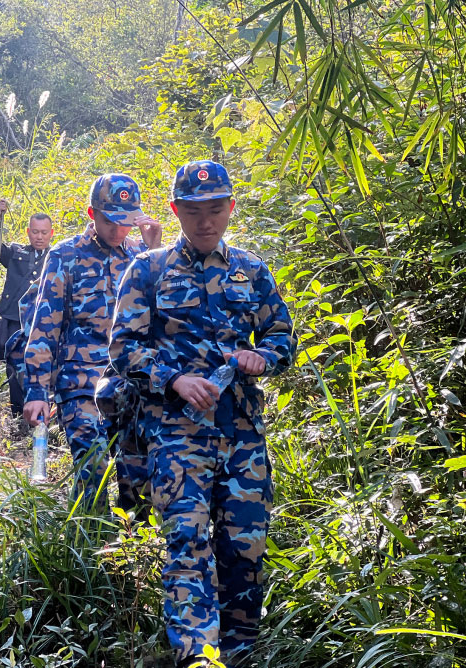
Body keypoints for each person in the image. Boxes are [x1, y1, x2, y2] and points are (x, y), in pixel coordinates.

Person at [108, 161, 296, 667]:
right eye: (193, 211)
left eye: (216, 210)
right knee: (187, 548)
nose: (206, 222)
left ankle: (238, 656)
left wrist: (264, 357)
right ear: (176, 211)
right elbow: (122, 348)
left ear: (231, 208)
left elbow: (282, 335)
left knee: (245, 550)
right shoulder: (147, 270)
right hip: (175, 435)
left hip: (241, 433)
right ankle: (199, 658)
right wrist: (174, 378)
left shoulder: (252, 271)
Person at [23, 173, 162, 509]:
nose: (118, 231)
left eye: (126, 222)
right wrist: (38, 390)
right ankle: (86, 549)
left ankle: (131, 554)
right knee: (95, 469)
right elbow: (45, 323)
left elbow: (162, 319)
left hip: (131, 383)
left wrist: (154, 251)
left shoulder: (141, 256)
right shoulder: (65, 256)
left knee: (139, 478)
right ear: (92, 214)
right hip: (81, 382)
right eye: (110, 221)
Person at [0, 198, 54, 415]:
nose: (39, 237)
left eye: (43, 232)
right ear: (28, 232)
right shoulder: (16, 253)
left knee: (43, 365)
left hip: (44, 322)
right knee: (15, 365)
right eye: (35, 232)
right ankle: (17, 412)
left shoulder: (57, 258)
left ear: (51, 233)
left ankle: (44, 413)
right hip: (15, 319)